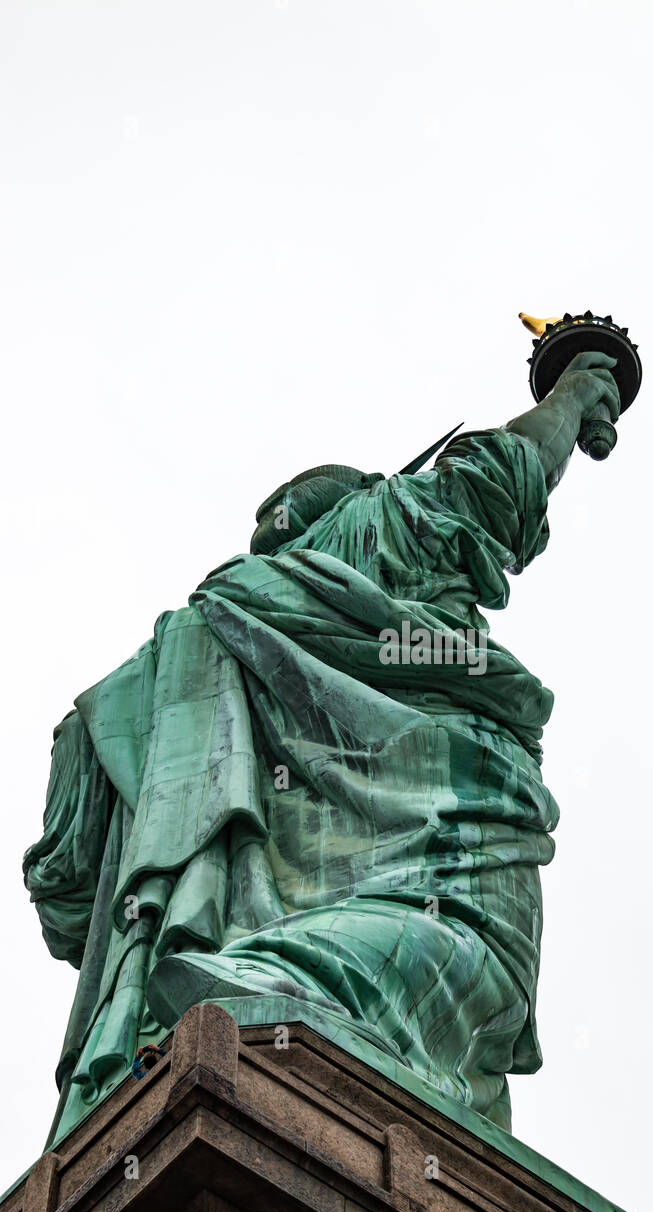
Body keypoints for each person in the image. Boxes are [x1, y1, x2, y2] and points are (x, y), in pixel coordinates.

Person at [24, 351, 620, 1140]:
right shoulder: (377, 527)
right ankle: (278, 1014)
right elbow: (506, 471)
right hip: (462, 837)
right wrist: (576, 395)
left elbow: (66, 886)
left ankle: (262, 1010)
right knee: (456, 976)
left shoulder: (206, 624)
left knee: (378, 982)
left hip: (427, 845)